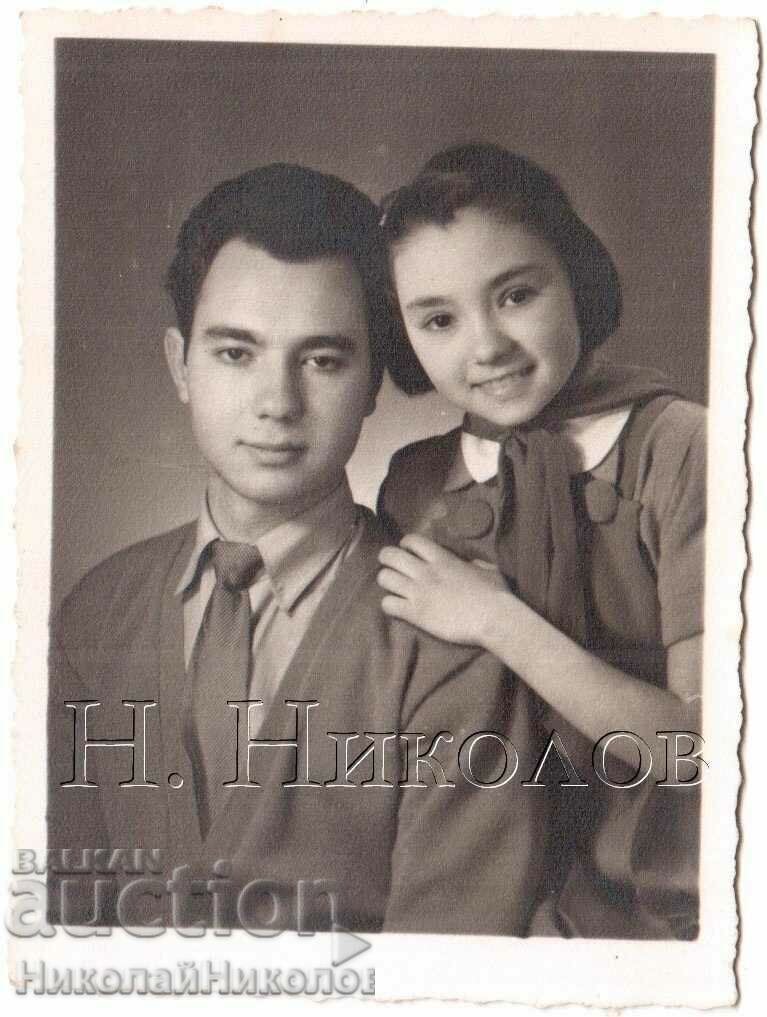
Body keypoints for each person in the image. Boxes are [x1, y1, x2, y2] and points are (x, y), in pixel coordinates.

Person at [47, 163, 546, 936]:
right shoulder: (97, 610)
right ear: (180, 365)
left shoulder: (448, 636)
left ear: (373, 382)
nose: (277, 403)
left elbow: (450, 969)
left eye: (322, 360)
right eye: (235, 353)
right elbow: (54, 926)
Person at [376, 143, 704, 939]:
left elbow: (700, 749)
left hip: (667, 903)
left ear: (576, 278)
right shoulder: (415, 486)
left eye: (516, 295)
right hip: (484, 899)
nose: (485, 345)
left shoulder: (680, 448)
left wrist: (496, 619)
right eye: (439, 319)